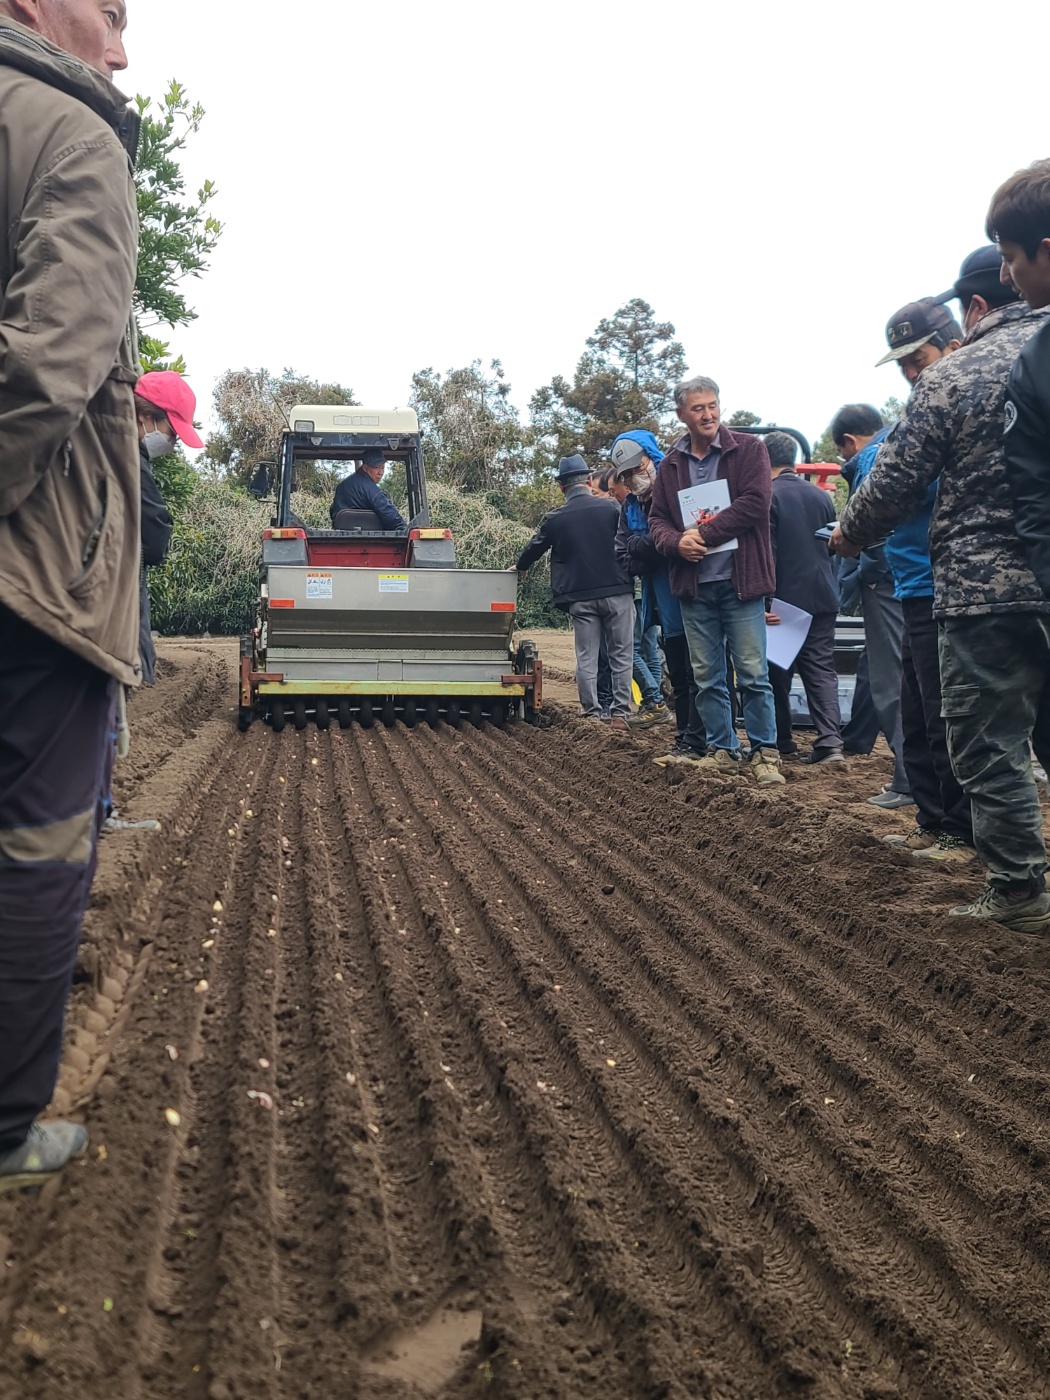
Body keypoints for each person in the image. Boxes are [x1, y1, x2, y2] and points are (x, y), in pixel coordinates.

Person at [0, 0, 140, 1193]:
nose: (124, 46)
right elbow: (50, 361)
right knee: (39, 839)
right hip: (31, 577)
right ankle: (5, 1123)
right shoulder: (69, 130)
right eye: (111, 10)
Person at [832, 235, 1050, 932]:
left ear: (978, 306)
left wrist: (847, 535)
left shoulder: (956, 377)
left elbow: (893, 482)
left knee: (991, 746)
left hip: (988, 591)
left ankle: (1019, 893)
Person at [648, 377, 784, 786]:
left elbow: (755, 503)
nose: (707, 415)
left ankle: (764, 753)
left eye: (712, 406)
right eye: (697, 408)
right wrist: (676, 543)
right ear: (681, 414)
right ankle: (723, 750)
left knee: (752, 672)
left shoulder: (749, 450)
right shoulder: (671, 465)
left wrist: (701, 535)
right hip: (696, 587)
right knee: (706, 675)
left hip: (740, 582)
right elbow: (657, 520)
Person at [830, 402, 911, 809]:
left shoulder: (871, 460)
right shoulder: (904, 443)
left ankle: (909, 780)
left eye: (842, 453)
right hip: (915, 581)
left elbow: (871, 532)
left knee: (891, 684)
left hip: (888, 583)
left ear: (849, 441)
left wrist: (848, 546)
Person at [516, 455, 634, 729]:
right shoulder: (613, 509)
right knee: (621, 654)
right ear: (590, 481)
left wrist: (519, 567)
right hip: (618, 591)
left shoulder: (555, 518)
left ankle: (591, 712)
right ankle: (619, 714)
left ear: (561, 487)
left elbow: (533, 549)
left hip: (580, 598)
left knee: (586, 656)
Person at [761, 432, 842, 763]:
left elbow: (768, 553)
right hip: (823, 593)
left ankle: (783, 740)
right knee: (821, 668)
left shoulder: (767, 497)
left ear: (763, 461)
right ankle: (831, 741)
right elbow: (832, 544)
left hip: (784, 599)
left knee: (776, 671)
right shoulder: (820, 496)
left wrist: (764, 600)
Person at [134, 371, 201, 683]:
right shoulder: (128, 459)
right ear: (146, 416)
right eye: (172, 433)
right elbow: (156, 529)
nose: (173, 443)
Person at [609, 431, 673, 730]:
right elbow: (624, 553)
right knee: (659, 649)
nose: (636, 479)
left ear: (652, 457)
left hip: (681, 592)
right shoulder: (631, 507)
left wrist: (645, 545)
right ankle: (671, 715)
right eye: (628, 475)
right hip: (651, 595)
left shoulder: (675, 491)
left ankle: (656, 701)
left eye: (639, 468)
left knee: (632, 648)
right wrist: (649, 548)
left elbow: (675, 541)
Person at [330, 447, 407, 531]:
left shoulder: (342, 486)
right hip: (370, 538)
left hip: (340, 538)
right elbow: (389, 514)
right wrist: (403, 528)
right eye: (376, 467)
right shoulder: (371, 489)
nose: (380, 472)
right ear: (365, 468)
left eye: (382, 467)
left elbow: (333, 511)